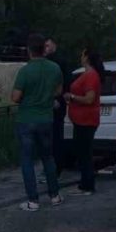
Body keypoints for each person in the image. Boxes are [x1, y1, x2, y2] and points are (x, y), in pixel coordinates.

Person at [12, 33, 64, 211]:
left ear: (29, 51)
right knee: (48, 157)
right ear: (43, 49)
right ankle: (55, 195)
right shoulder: (55, 68)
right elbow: (58, 90)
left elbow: (15, 97)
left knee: (27, 160)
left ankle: (33, 200)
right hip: (46, 118)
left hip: (26, 119)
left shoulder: (25, 71)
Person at [64, 49, 104, 196]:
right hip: (80, 119)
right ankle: (85, 183)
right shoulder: (87, 74)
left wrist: (72, 97)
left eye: (82, 55)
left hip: (86, 120)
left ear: (87, 58)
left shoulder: (91, 76)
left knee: (84, 153)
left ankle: (87, 185)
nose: (80, 57)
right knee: (82, 152)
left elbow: (89, 98)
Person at [44, 37, 72, 177]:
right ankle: (53, 167)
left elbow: (63, 82)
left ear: (54, 45)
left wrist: (57, 99)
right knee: (51, 137)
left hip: (56, 104)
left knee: (55, 136)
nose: (46, 48)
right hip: (53, 103)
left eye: (48, 45)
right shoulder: (49, 62)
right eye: (45, 46)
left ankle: (56, 167)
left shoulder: (57, 63)